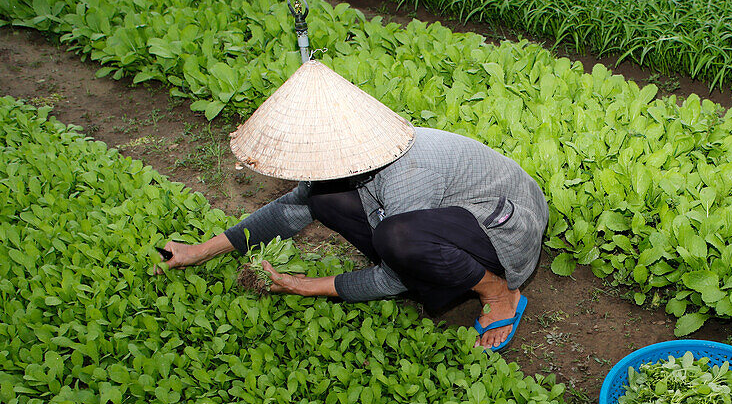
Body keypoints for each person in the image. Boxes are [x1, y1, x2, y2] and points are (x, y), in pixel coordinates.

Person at [156, 60, 548, 353]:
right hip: (449, 220)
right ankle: (444, 273)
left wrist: (305, 287)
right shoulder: (352, 159)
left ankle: (498, 294)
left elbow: (392, 277)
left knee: (398, 237)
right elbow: (289, 210)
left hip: (507, 226)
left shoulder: (408, 173)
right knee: (320, 198)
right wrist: (199, 251)